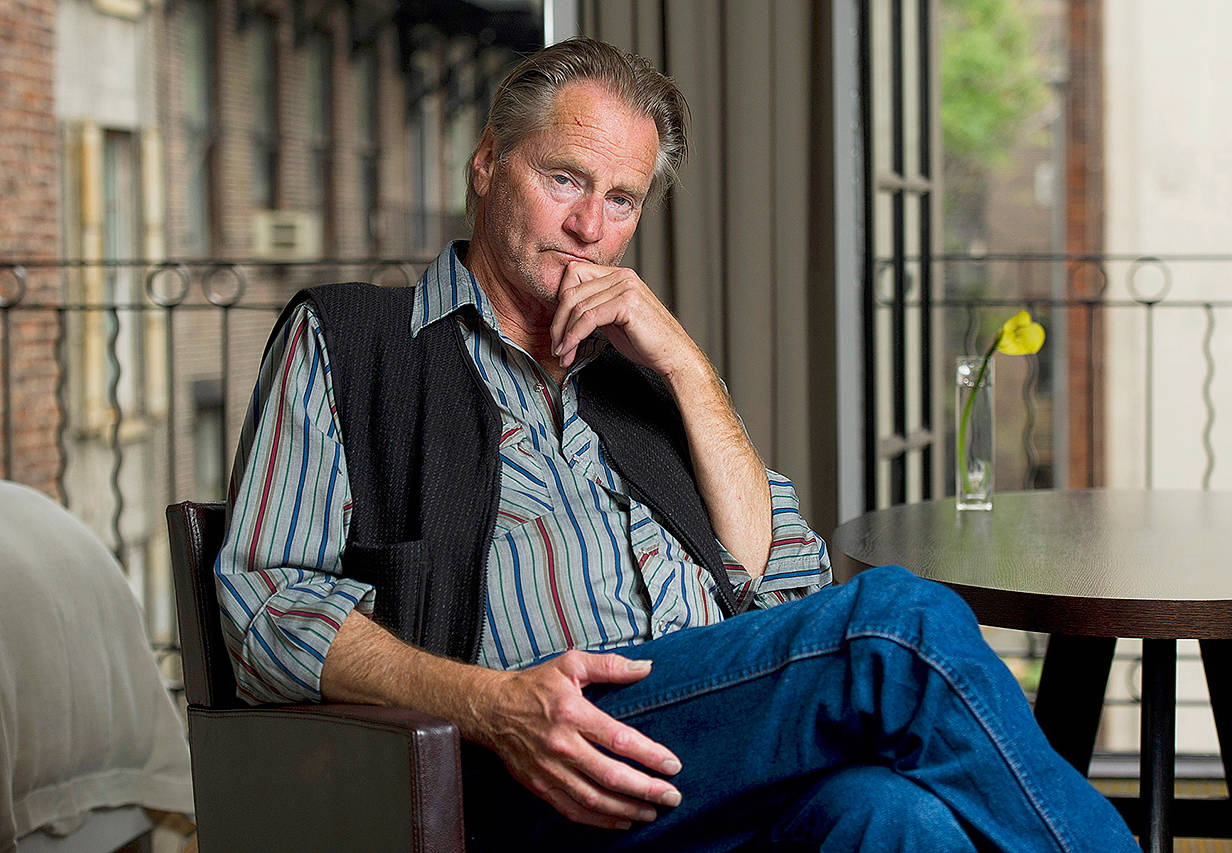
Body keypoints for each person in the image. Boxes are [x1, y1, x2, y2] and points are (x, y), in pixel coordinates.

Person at [215, 36, 1137, 851]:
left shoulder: (641, 375)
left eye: (622, 199)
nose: (591, 227)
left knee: (892, 815)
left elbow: (786, 582)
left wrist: (690, 370)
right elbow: (264, 607)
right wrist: (492, 704)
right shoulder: (353, 340)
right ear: (488, 163)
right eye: (566, 179)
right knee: (901, 624)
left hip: (715, 752)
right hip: (529, 768)